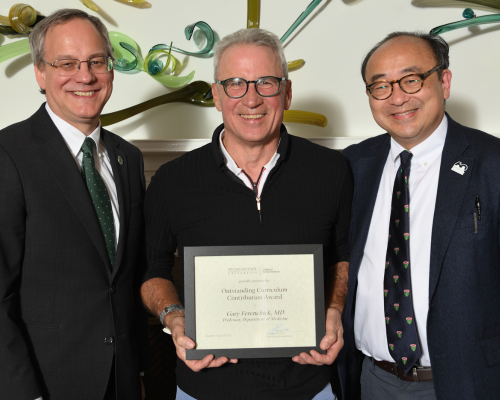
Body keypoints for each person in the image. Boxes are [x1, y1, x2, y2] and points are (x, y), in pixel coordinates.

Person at [140, 28, 353, 400]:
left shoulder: (331, 171)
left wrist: (334, 309)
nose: (251, 99)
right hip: (204, 385)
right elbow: (151, 271)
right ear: (216, 94)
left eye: (266, 83)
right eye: (235, 83)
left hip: (309, 384)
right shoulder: (173, 180)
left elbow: (344, 256)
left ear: (286, 93)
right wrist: (174, 317)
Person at [338, 31, 500, 400]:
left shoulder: (492, 163)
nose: (397, 97)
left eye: (411, 80)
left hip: (471, 382)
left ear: (443, 80)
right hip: (373, 380)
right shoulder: (352, 165)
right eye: (380, 86)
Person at [0, 9, 148, 400]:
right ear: (40, 73)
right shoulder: (8, 154)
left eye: (97, 61)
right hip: (46, 386)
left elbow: (125, 281)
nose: (85, 76)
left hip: (124, 383)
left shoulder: (127, 158)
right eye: (66, 63)